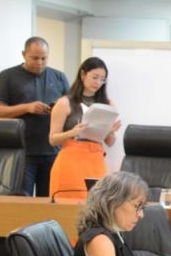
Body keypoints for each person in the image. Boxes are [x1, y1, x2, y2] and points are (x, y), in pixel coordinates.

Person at [0, 37, 70, 196]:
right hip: (21, 152)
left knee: (49, 201)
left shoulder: (59, 77)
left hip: (53, 151)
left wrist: (58, 109)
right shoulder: (7, 76)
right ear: (24, 54)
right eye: (35, 58)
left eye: (44, 58)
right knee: (21, 201)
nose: (40, 62)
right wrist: (27, 107)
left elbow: (72, 110)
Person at [48, 57, 122, 200]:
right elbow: (52, 139)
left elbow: (110, 142)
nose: (98, 82)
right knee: (66, 203)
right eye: (95, 77)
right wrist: (72, 132)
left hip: (95, 161)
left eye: (102, 79)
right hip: (70, 161)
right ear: (82, 75)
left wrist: (110, 132)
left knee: (95, 203)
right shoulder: (64, 103)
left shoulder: (108, 104)